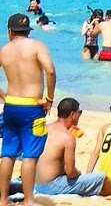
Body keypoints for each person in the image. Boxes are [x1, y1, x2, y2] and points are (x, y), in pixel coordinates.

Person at [0, 13, 55, 206]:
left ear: (10, 32)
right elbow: (50, 70)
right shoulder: (37, 46)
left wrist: (4, 97)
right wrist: (49, 98)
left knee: (8, 153)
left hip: (11, 105)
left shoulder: (4, 50)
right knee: (30, 155)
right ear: (27, 31)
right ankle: (29, 200)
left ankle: (3, 199)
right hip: (31, 106)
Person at [25, 98, 111, 198]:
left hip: (35, 183)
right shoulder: (67, 137)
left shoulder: (46, 128)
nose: (79, 115)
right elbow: (71, 172)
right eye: (79, 112)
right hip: (51, 187)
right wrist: (79, 173)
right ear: (72, 114)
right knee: (100, 178)